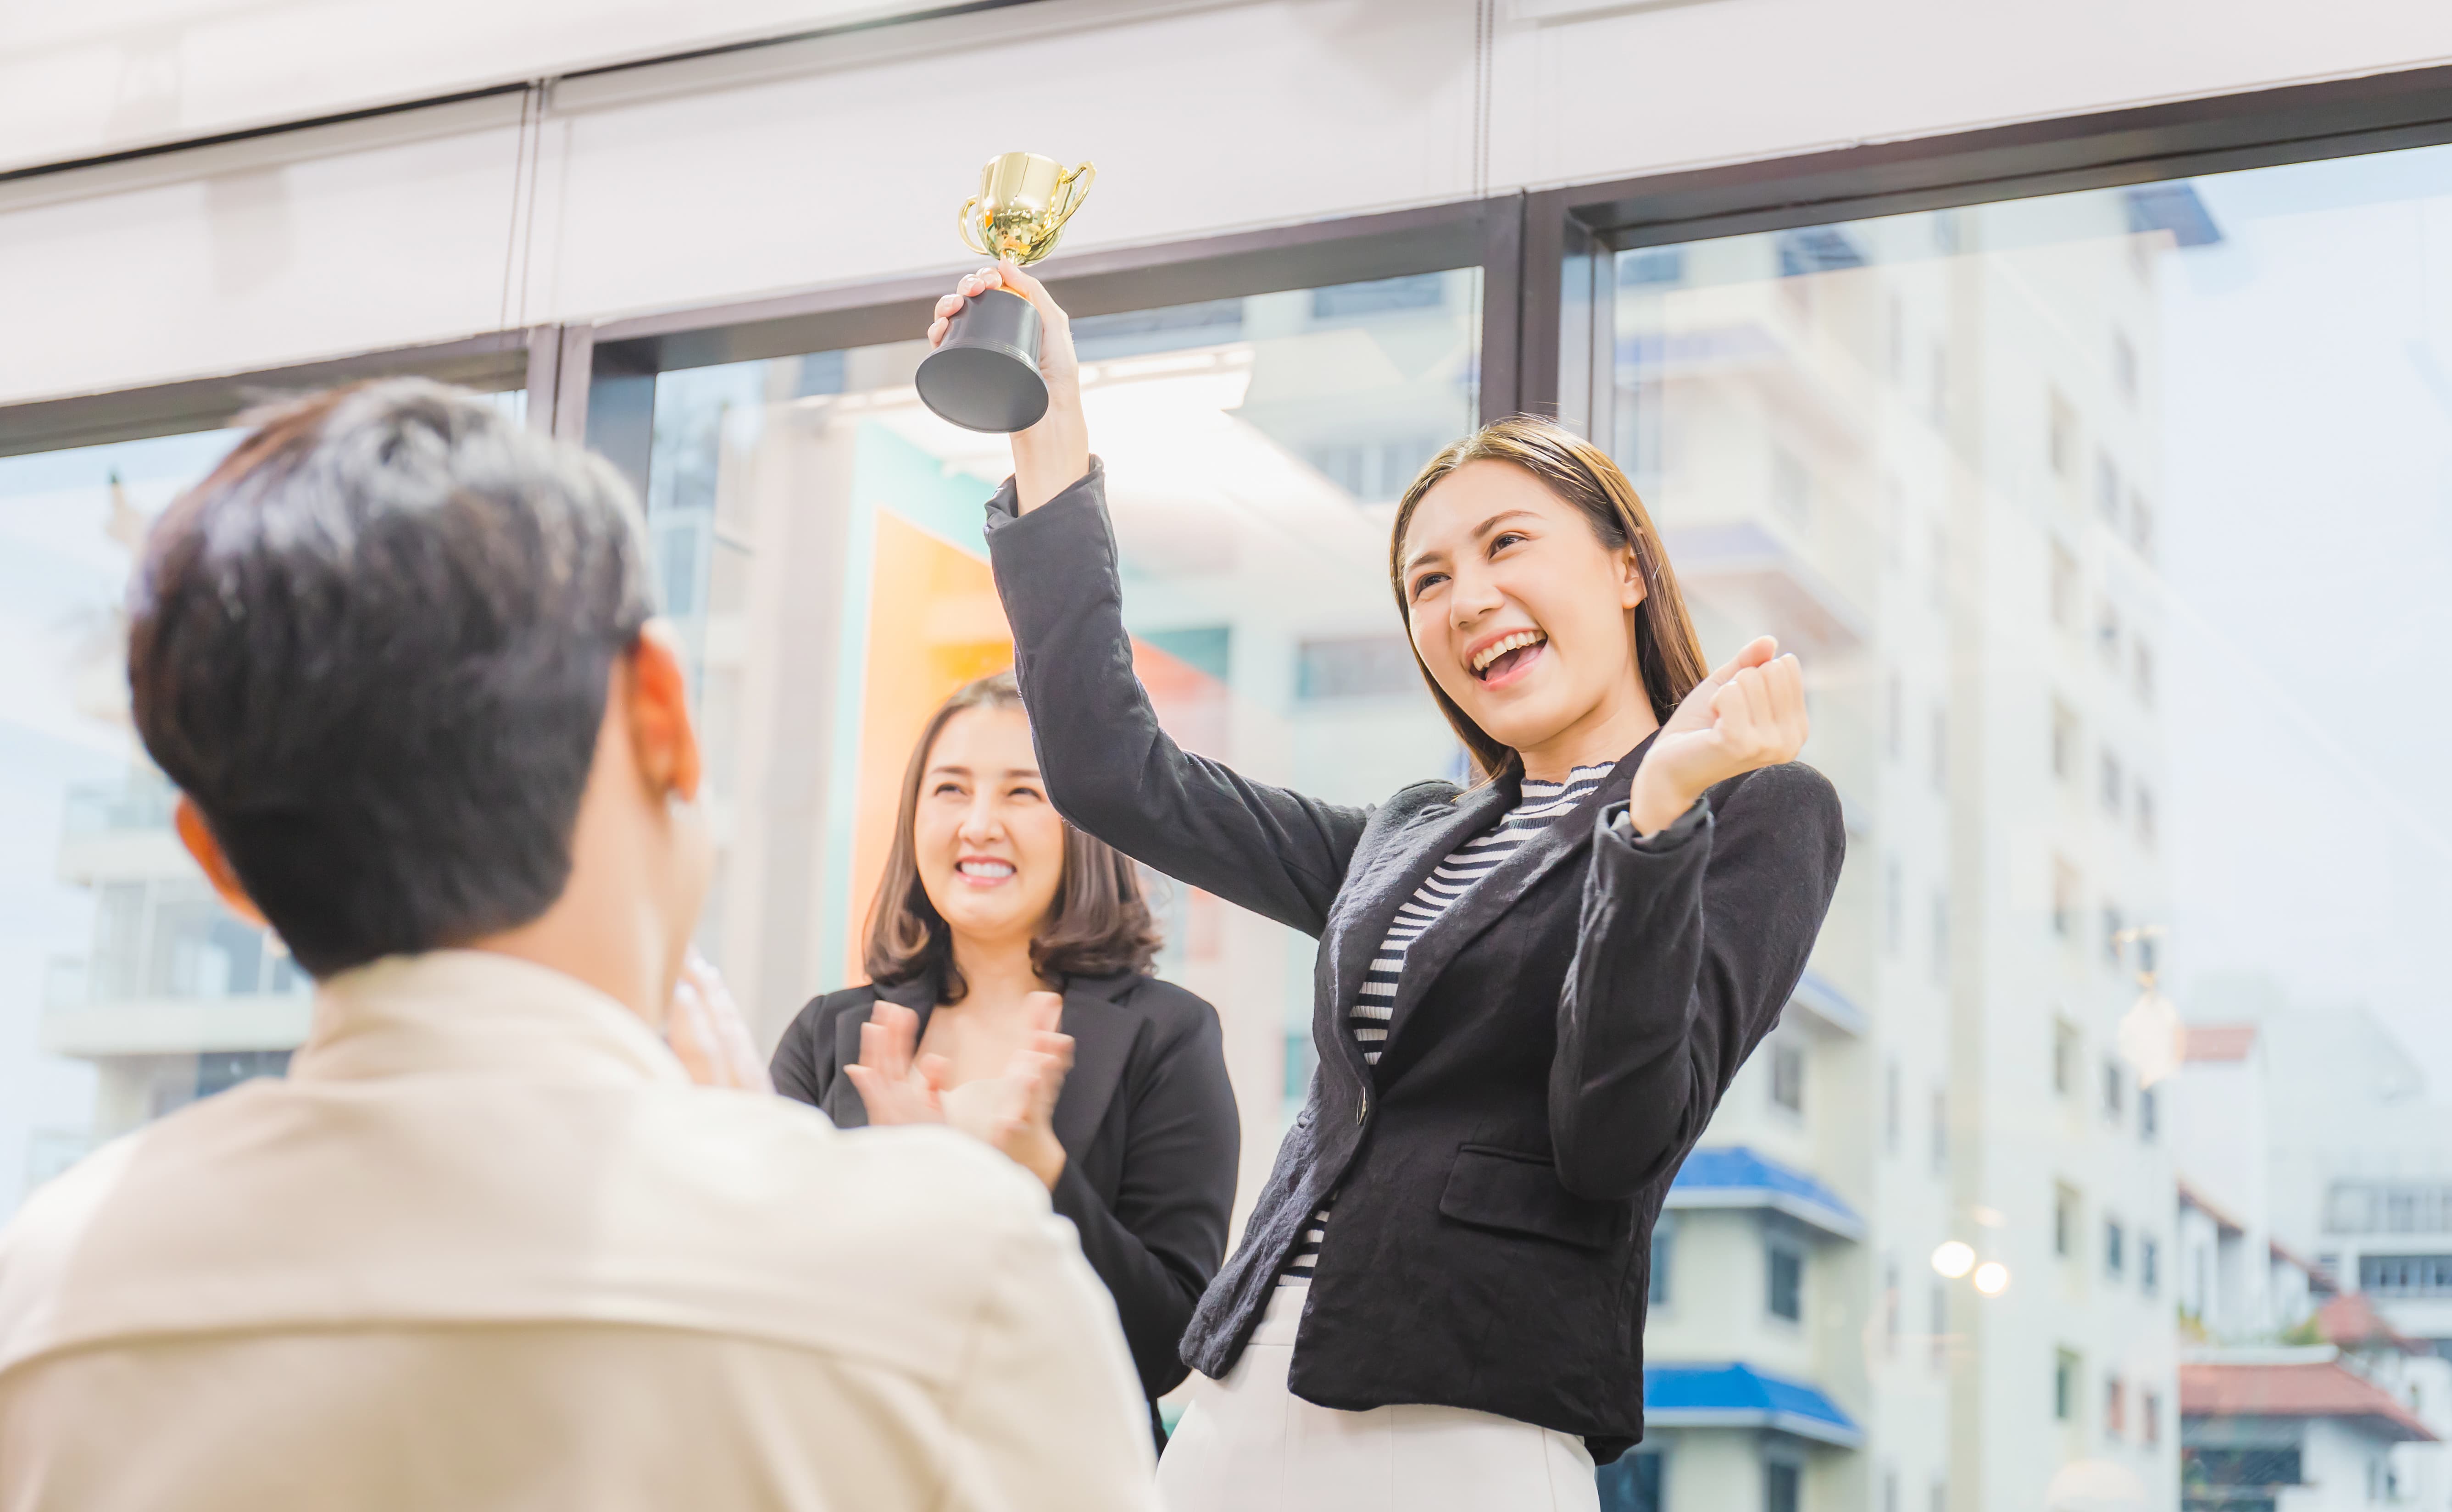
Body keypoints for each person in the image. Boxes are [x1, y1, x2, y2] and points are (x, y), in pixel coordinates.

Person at [0, 380, 1158, 1512]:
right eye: (950, 786)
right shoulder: (961, 1288)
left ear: (217, 862)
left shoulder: (45, 1309)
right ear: (663, 708)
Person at [926, 262, 1847, 1511]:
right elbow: (1110, 774)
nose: (1467, 599)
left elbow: (1615, 1139)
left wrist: (1652, 820)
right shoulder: (1408, 834)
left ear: (1627, 567)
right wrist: (1051, 434)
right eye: (1424, 581)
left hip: (1469, 1414)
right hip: (1243, 1394)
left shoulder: (1756, 812)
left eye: (1506, 544)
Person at [771, 670, 1241, 1448]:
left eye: (1023, 793)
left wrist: (1041, 1171)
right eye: (950, 790)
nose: (979, 824)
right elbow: (777, 1297)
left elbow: (1163, 1349)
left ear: (1080, 824)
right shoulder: (829, 1036)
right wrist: (898, 1181)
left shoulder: (1169, 1035)